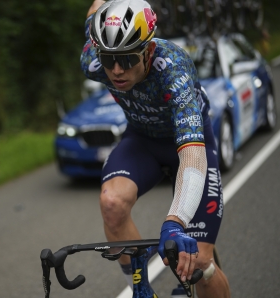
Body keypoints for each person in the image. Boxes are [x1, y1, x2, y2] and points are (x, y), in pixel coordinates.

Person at [80, 0, 230, 297]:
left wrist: (175, 222)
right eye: (109, 60)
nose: (117, 70)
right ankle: (139, 285)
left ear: (148, 51)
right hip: (142, 140)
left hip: (188, 143)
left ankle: (205, 261)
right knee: (112, 203)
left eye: (127, 59)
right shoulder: (93, 60)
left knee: (198, 261)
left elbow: (192, 155)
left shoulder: (174, 69)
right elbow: (93, 14)